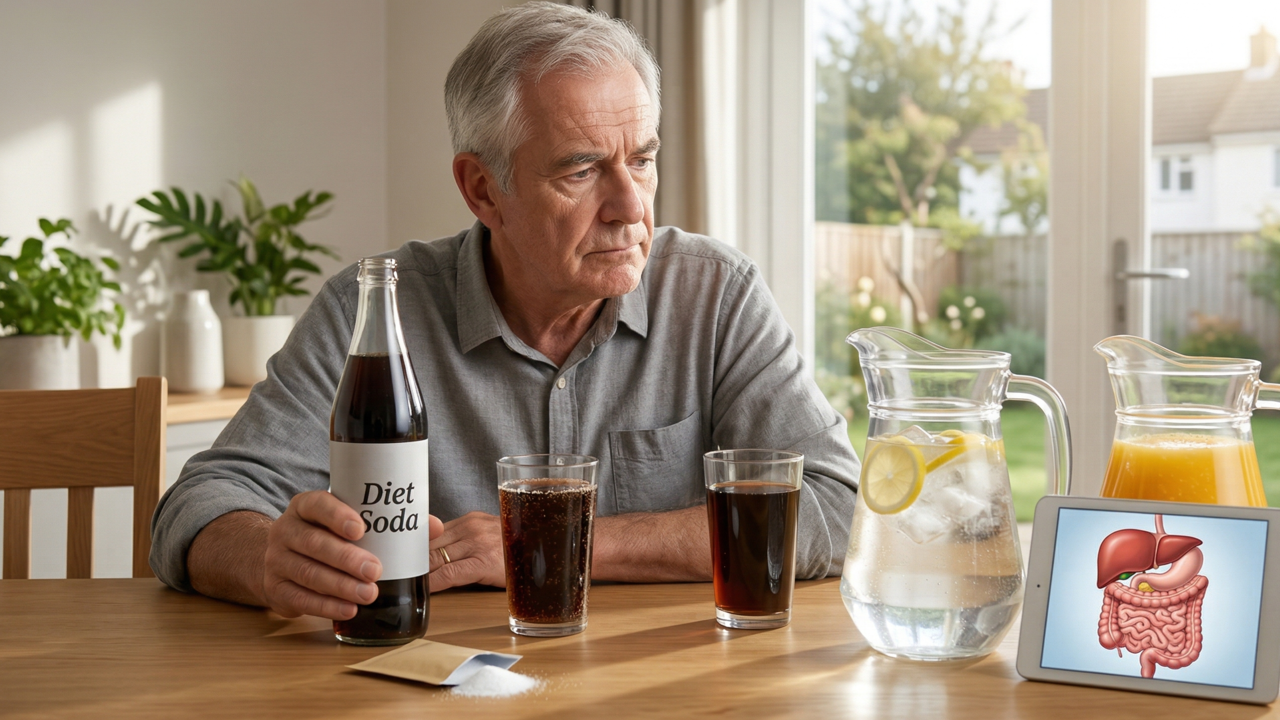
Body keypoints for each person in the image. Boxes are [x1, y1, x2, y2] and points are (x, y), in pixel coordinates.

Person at [150, 2, 860, 623]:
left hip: (660, 683)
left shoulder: (717, 295)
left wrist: (548, 541)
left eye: (641, 160)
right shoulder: (372, 314)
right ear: (484, 190)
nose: (630, 207)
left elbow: (837, 507)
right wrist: (268, 560)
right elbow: (200, 503)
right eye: (581, 170)